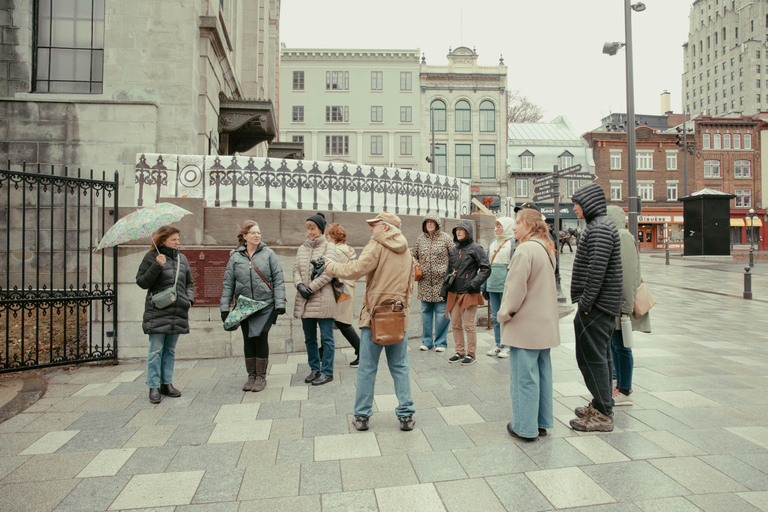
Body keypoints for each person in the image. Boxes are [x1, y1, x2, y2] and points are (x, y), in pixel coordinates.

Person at [324, 212, 416, 432]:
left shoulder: (376, 245)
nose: (371, 229)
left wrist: (330, 266)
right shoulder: (407, 252)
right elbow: (410, 286)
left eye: (374, 225)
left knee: (366, 368)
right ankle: (406, 415)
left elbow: (354, 271)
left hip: (375, 316)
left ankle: (362, 416)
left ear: (385, 227)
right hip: (397, 315)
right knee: (400, 368)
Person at [497, 208, 560, 440]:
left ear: (530, 225)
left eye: (518, 222)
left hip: (525, 325)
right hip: (544, 324)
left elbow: (515, 290)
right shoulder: (547, 247)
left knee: (523, 378)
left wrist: (503, 314)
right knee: (542, 375)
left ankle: (524, 426)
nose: (514, 226)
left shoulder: (524, 250)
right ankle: (541, 422)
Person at [570, 183, 623, 432]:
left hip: (597, 306)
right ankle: (604, 403)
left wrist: (586, 304)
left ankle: (603, 413)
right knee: (602, 357)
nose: (574, 208)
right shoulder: (601, 225)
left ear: (588, 203)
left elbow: (596, 271)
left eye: (577, 204)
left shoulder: (599, 228)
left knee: (591, 358)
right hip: (603, 305)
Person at [220, 221, 286, 392]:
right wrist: (225, 307)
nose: (257, 235)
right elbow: (228, 283)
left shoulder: (269, 254)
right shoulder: (235, 257)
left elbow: (278, 279)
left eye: (259, 232)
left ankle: (261, 377)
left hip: (266, 304)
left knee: (261, 336)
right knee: (248, 338)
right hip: (244, 306)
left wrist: (279, 303)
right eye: (253, 233)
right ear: (244, 236)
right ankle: (251, 376)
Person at [136, 225, 194, 404]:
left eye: (178, 239)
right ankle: (153, 386)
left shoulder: (182, 259)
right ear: (162, 241)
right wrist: (156, 265)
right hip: (158, 311)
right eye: (174, 239)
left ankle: (166, 383)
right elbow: (142, 282)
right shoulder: (151, 257)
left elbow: (189, 283)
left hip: (178, 311)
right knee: (156, 350)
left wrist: (189, 300)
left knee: (170, 350)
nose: (178, 242)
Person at [606, 206, 651, 406]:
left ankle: (625, 389)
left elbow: (627, 274)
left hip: (621, 302)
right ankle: (620, 384)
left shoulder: (622, 236)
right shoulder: (617, 235)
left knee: (622, 346)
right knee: (616, 344)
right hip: (617, 301)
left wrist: (625, 308)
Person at [294, 212, 338, 386]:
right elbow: (295, 269)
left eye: (313, 228)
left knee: (327, 338)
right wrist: (299, 285)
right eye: (308, 229)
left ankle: (327, 371)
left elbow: (330, 272)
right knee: (309, 338)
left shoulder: (329, 247)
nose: (310, 232)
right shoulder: (302, 248)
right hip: (305, 300)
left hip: (323, 299)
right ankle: (315, 369)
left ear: (320, 229)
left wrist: (310, 288)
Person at [445, 220, 491, 366]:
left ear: (468, 231)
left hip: (469, 293)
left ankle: (471, 354)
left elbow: (486, 268)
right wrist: (445, 288)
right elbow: (449, 270)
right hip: (454, 292)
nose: (458, 232)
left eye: (461, 229)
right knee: (455, 324)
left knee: (469, 324)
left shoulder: (476, 248)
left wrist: (474, 283)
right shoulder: (454, 249)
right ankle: (459, 352)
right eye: (456, 230)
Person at [410, 211, 453, 352]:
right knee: (426, 313)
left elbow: (454, 256)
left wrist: (448, 272)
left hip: (442, 283)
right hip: (425, 283)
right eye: (427, 222)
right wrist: (417, 265)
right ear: (424, 224)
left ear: (437, 224)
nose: (430, 224)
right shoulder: (420, 239)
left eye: (432, 222)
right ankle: (427, 341)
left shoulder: (446, 238)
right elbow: (412, 255)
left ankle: (441, 343)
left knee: (442, 314)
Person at [326, 222, 361, 367]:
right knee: (332, 320)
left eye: (328, 235)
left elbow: (329, 269)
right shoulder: (349, 250)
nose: (327, 238)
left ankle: (361, 350)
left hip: (339, 289)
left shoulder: (332, 250)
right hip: (349, 287)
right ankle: (323, 349)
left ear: (333, 236)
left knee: (342, 322)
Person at [482, 217, 515, 358]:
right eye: (496, 226)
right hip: (492, 284)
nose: (497, 229)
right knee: (495, 316)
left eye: (500, 226)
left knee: (506, 316)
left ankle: (508, 345)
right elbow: (487, 263)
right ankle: (498, 344)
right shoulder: (493, 242)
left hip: (505, 285)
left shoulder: (513, 243)